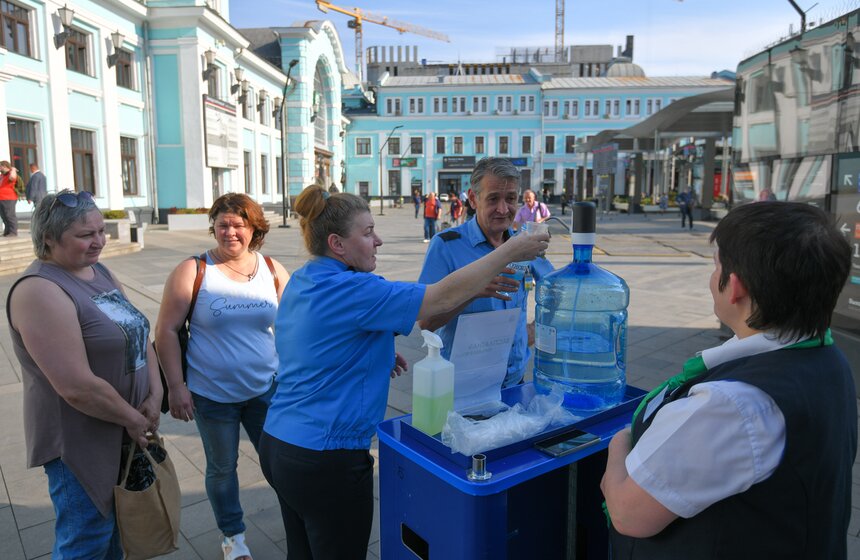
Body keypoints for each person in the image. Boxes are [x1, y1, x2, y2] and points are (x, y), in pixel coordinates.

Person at [258, 186, 548, 559]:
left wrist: (373, 352)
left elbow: (311, 339)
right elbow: (439, 297)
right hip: (327, 461)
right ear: (337, 244)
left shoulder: (307, 278)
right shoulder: (355, 289)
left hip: (279, 443)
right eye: (367, 233)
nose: (378, 241)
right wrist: (512, 249)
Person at [601, 201, 855, 559]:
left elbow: (628, 514)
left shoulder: (734, 404)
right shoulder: (824, 356)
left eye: (717, 264)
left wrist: (619, 442)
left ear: (734, 287)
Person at [7, 189, 161, 558]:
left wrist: (155, 395)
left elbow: (139, 332)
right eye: (85, 235)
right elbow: (75, 386)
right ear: (48, 238)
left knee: (116, 537)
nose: (99, 241)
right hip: (80, 441)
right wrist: (134, 420)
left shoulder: (100, 271)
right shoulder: (40, 290)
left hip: (123, 428)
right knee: (86, 542)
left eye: (100, 231)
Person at [155, 193, 289, 560]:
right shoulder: (194, 270)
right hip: (211, 395)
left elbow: (298, 325)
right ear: (213, 226)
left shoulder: (272, 270)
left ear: (254, 228)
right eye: (223, 224)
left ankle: (297, 518)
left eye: (239, 224)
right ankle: (234, 537)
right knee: (221, 469)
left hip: (266, 389)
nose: (230, 232)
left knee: (281, 461)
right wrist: (177, 387)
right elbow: (165, 331)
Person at [418, 157, 553, 388]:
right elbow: (425, 322)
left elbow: (557, 291)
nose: (503, 209)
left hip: (515, 381)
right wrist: (472, 291)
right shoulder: (448, 245)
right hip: (464, 387)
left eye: (510, 198)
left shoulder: (524, 245)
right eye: (493, 199)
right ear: (473, 198)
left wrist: (530, 331)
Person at [0, 160, 20, 236]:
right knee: (4, 215)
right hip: (1, 198)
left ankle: (13, 232)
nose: (0, 169)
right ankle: (7, 231)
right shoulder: (2, 175)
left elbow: (12, 177)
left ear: (5, 166)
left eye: (0, 167)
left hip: (8, 198)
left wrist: (13, 169)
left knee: (9, 215)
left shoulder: (10, 174)